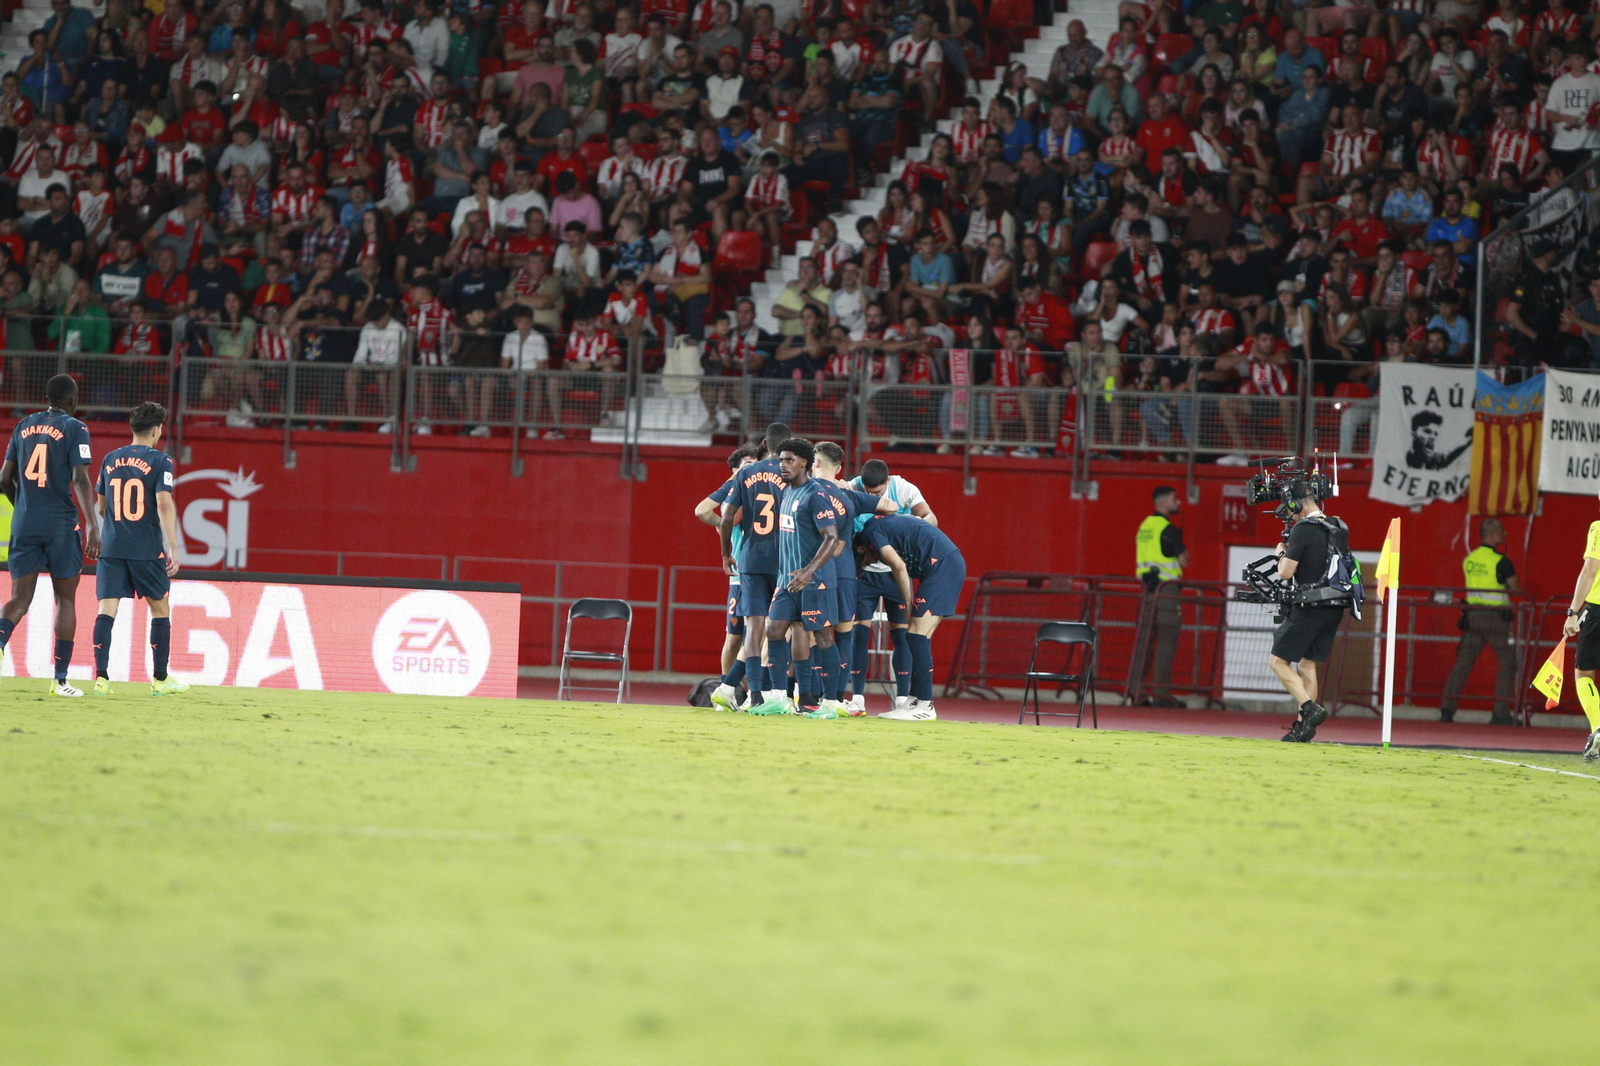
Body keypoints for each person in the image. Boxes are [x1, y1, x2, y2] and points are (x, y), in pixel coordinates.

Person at [0, 373, 101, 696]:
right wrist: (94, 526)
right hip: (60, 526)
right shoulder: (76, 428)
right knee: (66, 600)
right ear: (71, 401)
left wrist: (25, 508)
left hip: (25, 525)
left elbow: (4, 478)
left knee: (19, 599)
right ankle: (60, 680)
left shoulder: (22, 425)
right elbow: (81, 479)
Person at [89, 402, 188, 697]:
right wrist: (172, 545)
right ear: (157, 430)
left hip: (112, 547)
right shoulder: (161, 462)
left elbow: (101, 507)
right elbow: (164, 503)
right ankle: (160, 680)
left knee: (107, 609)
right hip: (146, 549)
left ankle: (101, 679)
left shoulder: (109, 459)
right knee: (160, 609)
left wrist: (119, 528)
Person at [745, 437, 842, 719]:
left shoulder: (816, 494)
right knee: (774, 630)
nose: (781, 465)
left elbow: (832, 537)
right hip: (787, 581)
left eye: (788, 460)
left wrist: (808, 571)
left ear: (804, 462)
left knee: (823, 638)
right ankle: (779, 698)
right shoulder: (787, 492)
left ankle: (832, 704)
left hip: (814, 581)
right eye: (780, 459)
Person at [855, 512, 967, 721]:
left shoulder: (871, 533)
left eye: (864, 563)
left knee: (915, 635)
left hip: (943, 566)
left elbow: (899, 566)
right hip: (942, 565)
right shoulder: (877, 528)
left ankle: (925, 704)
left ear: (862, 549)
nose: (871, 564)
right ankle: (913, 700)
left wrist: (908, 604)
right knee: (917, 637)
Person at [717, 421, 791, 712]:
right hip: (783, 559)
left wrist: (726, 554)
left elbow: (725, 519)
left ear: (764, 445)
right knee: (782, 628)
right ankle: (778, 694)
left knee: (753, 627)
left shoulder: (746, 472)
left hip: (749, 558)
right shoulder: (791, 473)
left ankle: (753, 694)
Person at [1271, 481, 1351, 743]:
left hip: (1310, 605)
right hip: (1335, 606)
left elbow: (1285, 573)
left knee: (1278, 662)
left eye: (1289, 511)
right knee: (1308, 664)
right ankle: (1304, 728)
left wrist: (1281, 553)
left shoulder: (1302, 529)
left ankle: (1309, 708)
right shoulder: (1339, 525)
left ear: (1295, 506)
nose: (1290, 516)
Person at [1438, 519, 1522, 726]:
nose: (1505, 535)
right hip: (1495, 619)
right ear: (1492, 534)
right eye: (1502, 531)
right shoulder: (1501, 561)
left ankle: (1447, 710)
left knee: (1463, 664)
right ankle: (1500, 713)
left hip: (1473, 617)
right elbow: (1516, 588)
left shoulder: (1470, 559)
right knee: (1508, 663)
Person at [1136, 486, 1187, 708]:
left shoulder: (1144, 527)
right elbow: (1183, 560)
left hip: (1146, 589)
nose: (1179, 503)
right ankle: (1160, 694)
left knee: (1143, 642)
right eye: (1175, 499)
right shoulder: (1168, 528)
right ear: (1165, 502)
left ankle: (1135, 692)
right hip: (1166, 590)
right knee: (1167, 640)